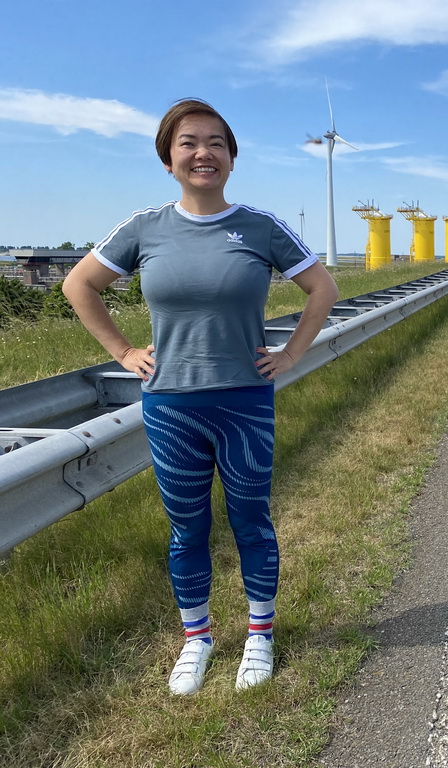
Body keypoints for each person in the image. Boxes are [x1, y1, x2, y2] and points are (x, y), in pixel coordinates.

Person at [62, 98, 339, 696]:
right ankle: (198, 638)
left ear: (232, 158)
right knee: (186, 527)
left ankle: (260, 633)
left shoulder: (260, 226)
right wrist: (123, 352)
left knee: (250, 521)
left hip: (243, 400)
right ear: (168, 158)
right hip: (171, 403)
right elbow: (78, 283)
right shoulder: (144, 227)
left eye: (216, 142)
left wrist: (289, 355)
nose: (202, 153)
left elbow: (322, 287)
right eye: (188, 142)